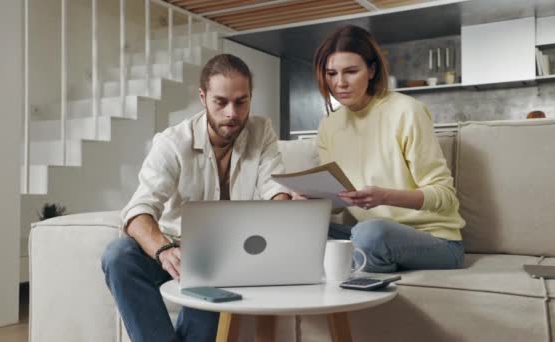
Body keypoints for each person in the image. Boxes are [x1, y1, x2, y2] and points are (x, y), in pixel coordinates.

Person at [101, 54, 290, 342]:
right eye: (221, 102)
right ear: (203, 97)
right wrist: (164, 250)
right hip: (172, 248)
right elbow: (138, 212)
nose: (232, 113)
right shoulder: (172, 143)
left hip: (226, 254)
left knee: (213, 267)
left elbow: (275, 188)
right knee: (117, 257)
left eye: (241, 101)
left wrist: (283, 206)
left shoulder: (261, 131)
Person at [310, 25, 465, 273]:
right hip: (368, 236)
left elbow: (444, 196)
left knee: (370, 233)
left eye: (351, 71)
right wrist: (311, 198)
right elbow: (338, 202)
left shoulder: (407, 111)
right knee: (302, 229)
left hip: (436, 241)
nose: (339, 83)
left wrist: (385, 197)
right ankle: (366, 263)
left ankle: (357, 265)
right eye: (331, 73)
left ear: (371, 70)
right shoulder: (329, 125)